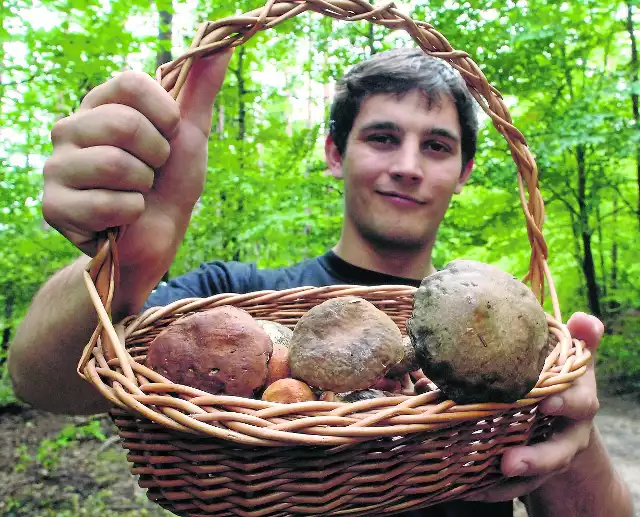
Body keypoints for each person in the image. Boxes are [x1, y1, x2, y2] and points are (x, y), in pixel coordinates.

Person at [8, 48, 633, 517]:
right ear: (336, 153)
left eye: (437, 146)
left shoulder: (501, 345)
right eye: (383, 137)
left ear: (465, 170)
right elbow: (43, 381)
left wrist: (568, 437)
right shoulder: (234, 301)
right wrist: (130, 263)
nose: (408, 167)